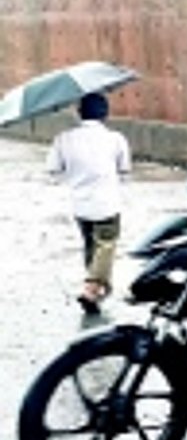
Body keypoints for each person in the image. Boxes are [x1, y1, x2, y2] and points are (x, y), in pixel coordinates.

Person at [45, 92, 132, 315]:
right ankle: (92, 289)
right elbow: (125, 171)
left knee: (91, 246)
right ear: (105, 114)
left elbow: (53, 170)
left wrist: (74, 176)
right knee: (106, 245)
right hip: (108, 203)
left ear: (79, 112)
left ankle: (99, 289)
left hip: (80, 204)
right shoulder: (116, 139)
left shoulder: (63, 139)